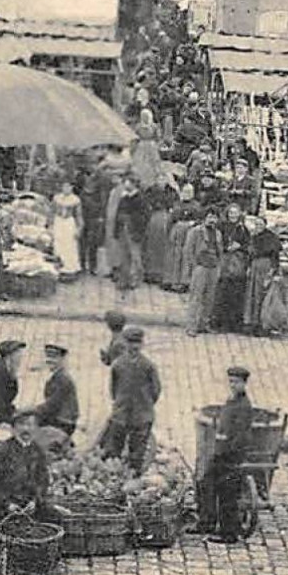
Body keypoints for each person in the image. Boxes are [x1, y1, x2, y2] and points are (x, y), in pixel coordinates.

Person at [195, 366, 254, 543]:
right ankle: (206, 522)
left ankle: (229, 533)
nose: (232, 385)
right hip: (221, 452)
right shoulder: (232, 400)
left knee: (227, 493)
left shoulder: (244, 406)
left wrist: (229, 452)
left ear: (244, 384)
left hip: (230, 456)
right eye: (230, 381)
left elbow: (241, 435)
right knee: (205, 482)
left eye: (236, 382)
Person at [100, 327, 160, 471]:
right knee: (115, 449)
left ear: (142, 345)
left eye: (137, 343)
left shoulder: (148, 366)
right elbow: (113, 389)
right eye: (131, 343)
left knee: (137, 451)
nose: (134, 347)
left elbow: (156, 390)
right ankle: (115, 475)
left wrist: (145, 404)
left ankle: (134, 473)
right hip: (121, 414)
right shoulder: (118, 365)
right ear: (125, 344)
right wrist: (120, 404)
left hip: (141, 415)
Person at [0, 413, 52, 523]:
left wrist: (35, 500)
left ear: (36, 429)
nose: (26, 429)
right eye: (21, 424)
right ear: (13, 428)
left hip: (31, 507)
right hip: (5, 509)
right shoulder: (3, 451)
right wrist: (7, 504)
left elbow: (43, 481)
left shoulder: (38, 451)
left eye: (30, 425)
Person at [20, 343, 79, 439]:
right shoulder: (58, 375)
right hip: (59, 419)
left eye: (54, 358)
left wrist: (27, 410)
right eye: (48, 357)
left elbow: (51, 406)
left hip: (63, 423)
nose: (50, 361)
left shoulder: (62, 379)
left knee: (25, 426)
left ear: (62, 359)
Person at [212, 202, 252, 333]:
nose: (233, 215)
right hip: (225, 262)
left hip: (238, 264)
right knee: (222, 292)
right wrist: (225, 248)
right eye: (231, 213)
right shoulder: (221, 227)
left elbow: (249, 246)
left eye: (235, 213)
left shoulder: (243, 229)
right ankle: (220, 322)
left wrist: (239, 247)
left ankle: (234, 323)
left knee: (236, 293)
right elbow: (217, 242)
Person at [183, 208, 223, 335]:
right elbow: (188, 250)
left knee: (209, 298)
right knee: (196, 297)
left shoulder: (218, 234)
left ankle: (203, 323)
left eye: (215, 218)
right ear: (204, 218)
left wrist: (219, 266)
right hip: (200, 267)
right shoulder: (195, 232)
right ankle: (191, 326)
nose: (212, 220)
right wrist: (193, 266)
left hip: (213, 267)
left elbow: (220, 252)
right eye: (210, 217)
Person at [243, 215, 281, 335]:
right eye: (256, 224)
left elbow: (275, 256)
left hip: (265, 266)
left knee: (263, 296)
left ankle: (263, 324)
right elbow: (250, 254)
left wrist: (273, 271)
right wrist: (249, 266)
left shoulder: (271, 238)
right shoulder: (253, 237)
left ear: (265, 225)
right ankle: (252, 322)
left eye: (261, 224)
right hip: (255, 266)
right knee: (252, 295)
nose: (258, 227)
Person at [111, 176, 148, 293]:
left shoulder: (140, 198)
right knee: (124, 255)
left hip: (133, 230)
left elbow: (144, 216)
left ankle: (134, 280)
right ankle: (124, 279)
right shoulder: (124, 198)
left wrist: (131, 220)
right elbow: (118, 214)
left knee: (135, 256)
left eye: (127, 182)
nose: (125, 184)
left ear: (133, 184)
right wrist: (117, 229)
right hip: (123, 229)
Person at [164, 184, 199, 291]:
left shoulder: (196, 205)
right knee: (174, 255)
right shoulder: (177, 204)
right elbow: (171, 219)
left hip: (189, 232)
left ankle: (184, 282)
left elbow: (199, 220)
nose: (186, 194)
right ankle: (171, 280)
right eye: (184, 192)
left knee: (186, 256)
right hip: (177, 232)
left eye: (189, 192)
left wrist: (191, 223)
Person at [50, 180, 83, 277]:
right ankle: (59, 266)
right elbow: (52, 212)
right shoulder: (57, 198)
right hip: (58, 222)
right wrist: (50, 225)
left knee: (69, 244)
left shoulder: (75, 200)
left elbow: (79, 215)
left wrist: (79, 228)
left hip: (69, 223)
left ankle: (70, 268)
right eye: (64, 186)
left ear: (72, 187)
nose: (66, 188)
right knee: (58, 244)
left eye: (68, 186)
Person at [129, 108, 164, 189]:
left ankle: (148, 180)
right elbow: (158, 138)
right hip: (150, 146)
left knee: (148, 164)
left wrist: (132, 150)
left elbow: (134, 139)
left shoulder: (139, 126)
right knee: (148, 164)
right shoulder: (153, 126)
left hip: (143, 146)